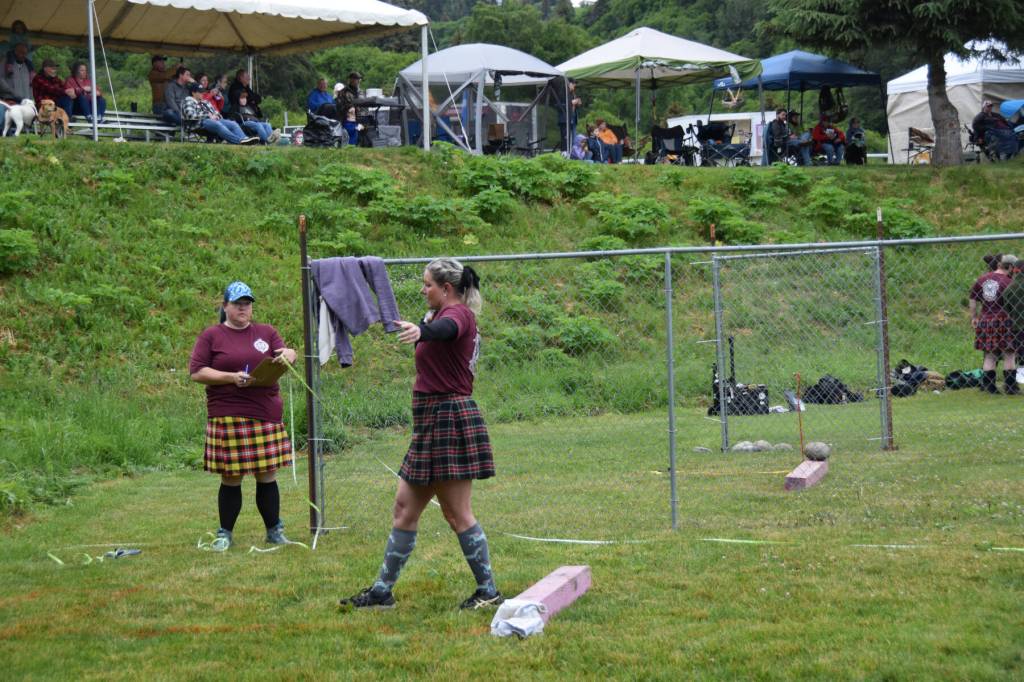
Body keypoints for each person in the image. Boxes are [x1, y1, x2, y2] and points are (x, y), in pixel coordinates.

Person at [338, 259, 502, 611]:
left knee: (457, 514)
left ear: (446, 289)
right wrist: (424, 327)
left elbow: (447, 330)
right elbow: (436, 331)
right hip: (430, 423)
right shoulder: (437, 316)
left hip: (449, 420)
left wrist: (424, 332)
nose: (422, 289)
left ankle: (488, 591)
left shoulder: (458, 316)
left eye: (428, 284)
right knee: (403, 509)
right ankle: (382, 592)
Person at [189, 281, 297, 551]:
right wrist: (230, 377)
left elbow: (283, 355)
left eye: (247, 303)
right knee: (231, 476)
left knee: (267, 474)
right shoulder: (211, 336)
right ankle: (224, 534)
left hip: (265, 412)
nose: (242, 308)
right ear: (225, 306)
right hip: (228, 413)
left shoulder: (266, 332)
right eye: (237, 303)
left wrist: (290, 354)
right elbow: (197, 372)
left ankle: (274, 531)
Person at [968, 254, 1018, 394]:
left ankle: (990, 388)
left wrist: (974, 317)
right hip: (1004, 319)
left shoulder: (982, 279)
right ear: (1012, 267)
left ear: (999, 265)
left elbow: (972, 299)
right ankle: (1010, 387)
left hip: (986, 319)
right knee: (1009, 353)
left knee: (990, 354)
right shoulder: (1009, 282)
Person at [181, 83, 259, 145]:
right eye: (200, 91)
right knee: (217, 125)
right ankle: (239, 141)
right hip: (198, 123)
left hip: (213, 121)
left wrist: (217, 116)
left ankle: (245, 139)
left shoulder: (205, 102)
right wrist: (208, 115)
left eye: (203, 91)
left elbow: (216, 112)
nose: (202, 93)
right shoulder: (188, 101)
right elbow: (190, 115)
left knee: (232, 123)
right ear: (193, 93)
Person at [557, 78, 582, 152]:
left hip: (573, 118)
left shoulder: (573, 93)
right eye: (573, 84)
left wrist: (578, 103)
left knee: (573, 137)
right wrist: (571, 103)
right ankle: (565, 152)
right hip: (565, 119)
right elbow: (559, 105)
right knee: (565, 137)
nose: (574, 85)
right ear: (569, 84)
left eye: (575, 84)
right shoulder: (563, 93)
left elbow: (574, 105)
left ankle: (572, 153)